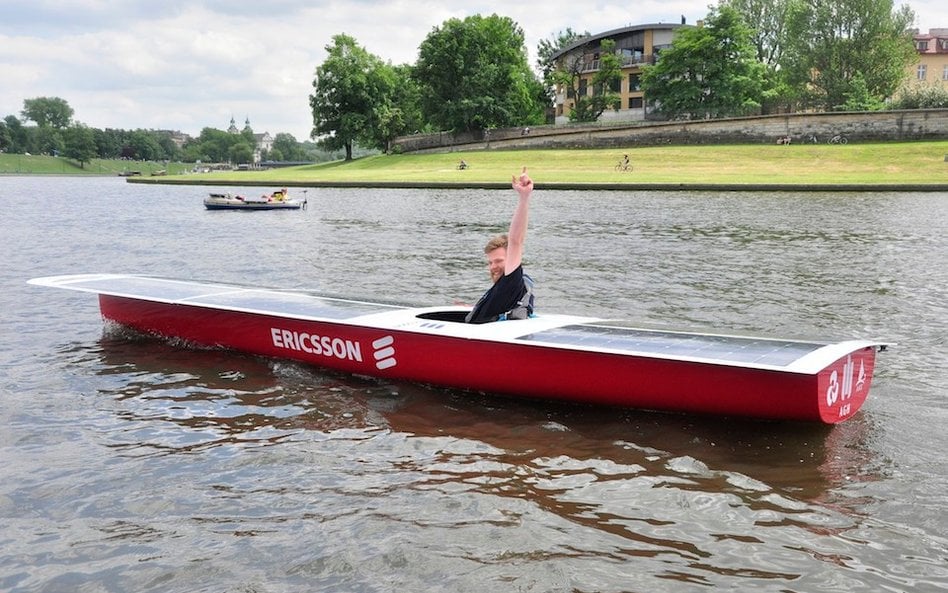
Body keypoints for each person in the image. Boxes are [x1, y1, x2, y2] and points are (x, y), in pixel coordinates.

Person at [465, 168, 536, 324]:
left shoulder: (511, 283)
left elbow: (516, 240)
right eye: (490, 262)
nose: (493, 267)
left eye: (498, 261)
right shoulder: (503, 292)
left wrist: (524, 197)